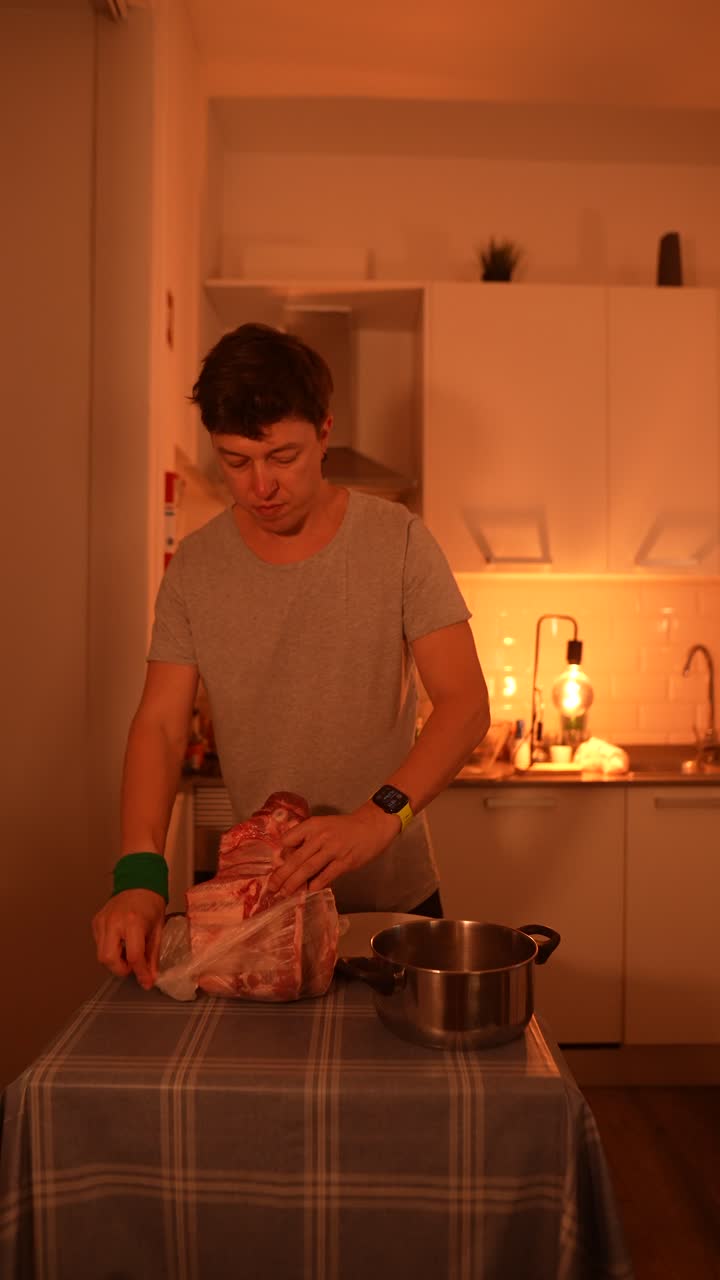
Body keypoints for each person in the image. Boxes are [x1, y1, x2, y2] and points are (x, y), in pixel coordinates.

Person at [92, 323, 490, 990]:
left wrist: (376, 817)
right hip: (269, 911)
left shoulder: (398, 542)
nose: (261, 486)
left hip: (393, 900)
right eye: (238, 461)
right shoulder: (196, 566)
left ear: (325, 431)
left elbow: (465, 704)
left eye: (283, 456)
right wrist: (138, 875)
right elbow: (159, 726)